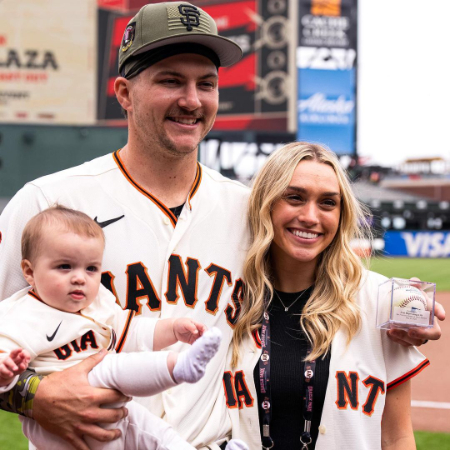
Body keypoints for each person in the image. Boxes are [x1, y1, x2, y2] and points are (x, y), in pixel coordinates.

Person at [0, 2, 443, 449]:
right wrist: (31, 394)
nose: (192, 100)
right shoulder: (49, 202)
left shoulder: (249, 210)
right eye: (171, 80)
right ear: (124, 93)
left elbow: (331, 275)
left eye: (206, 84)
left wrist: (404, 307)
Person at [226, 142, 431, 449]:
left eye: (327, 203)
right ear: (265, 203)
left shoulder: (382, 301)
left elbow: (397, 436)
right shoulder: (222, 297)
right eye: (294, 197)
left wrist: (416, 312)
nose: (310, 216)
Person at [0, 205, 246, 450]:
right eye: (65, 266)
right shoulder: (20, 313)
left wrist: (172, 330)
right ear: (29, 272)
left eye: (91, 268)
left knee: (157, 434)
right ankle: (180, 367)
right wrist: (7, 371)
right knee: (108, 366)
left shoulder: (98, 302)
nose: (79, 278)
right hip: (57, 427)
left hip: (114, 411)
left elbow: (133, 333)